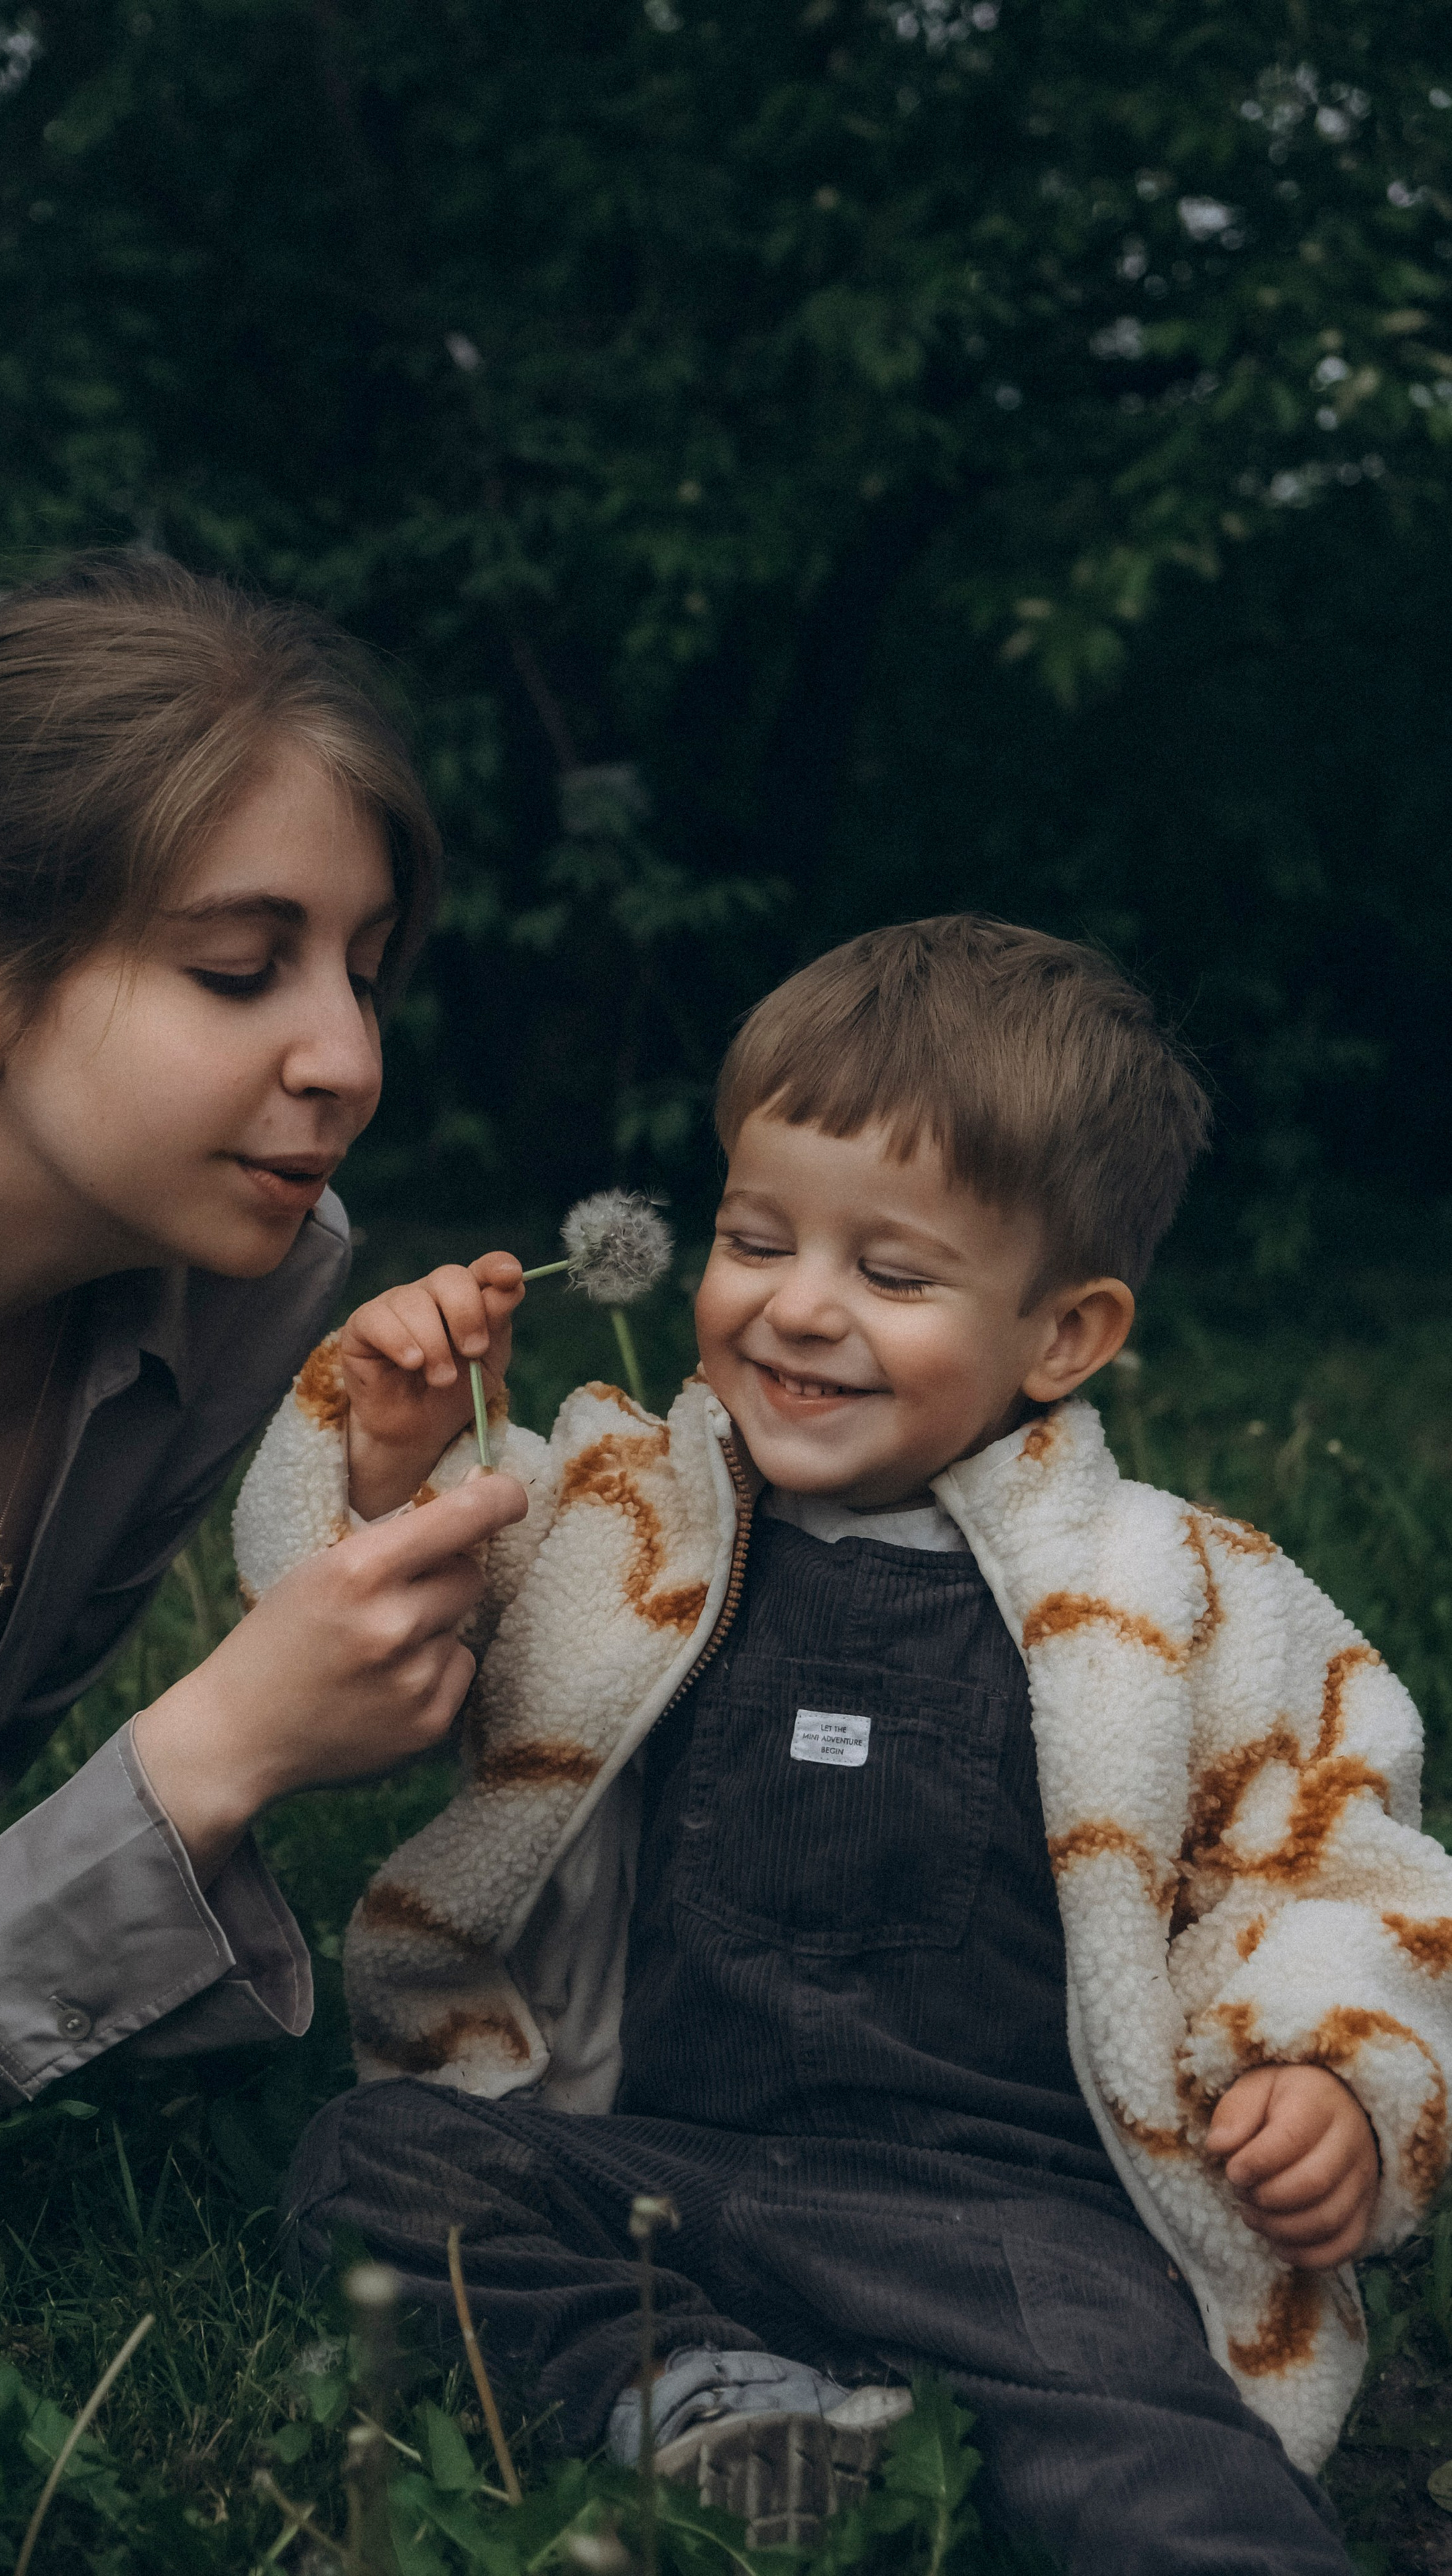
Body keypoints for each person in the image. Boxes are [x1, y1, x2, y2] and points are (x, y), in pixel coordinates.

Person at [235, 917, 1452, 2575]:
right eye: (754, 1239)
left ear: (1062, 1336)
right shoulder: (615, 1516)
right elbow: (377, 1634)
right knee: (372, 2164)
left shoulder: (1171, 1598)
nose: (798, 1310)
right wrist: (389, 1467)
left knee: (1146, 2437)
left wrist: (1327, 2076)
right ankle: (697, 2393)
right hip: (651, 2162)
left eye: (890, 1275)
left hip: (1002, 2231)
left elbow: (1335, 1861)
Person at [0, 552, 525, 2178]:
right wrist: (226, 1741)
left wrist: (366, 1519)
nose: (348, 1061)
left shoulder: (247, 1272)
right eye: (238, 968)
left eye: (362, 971)